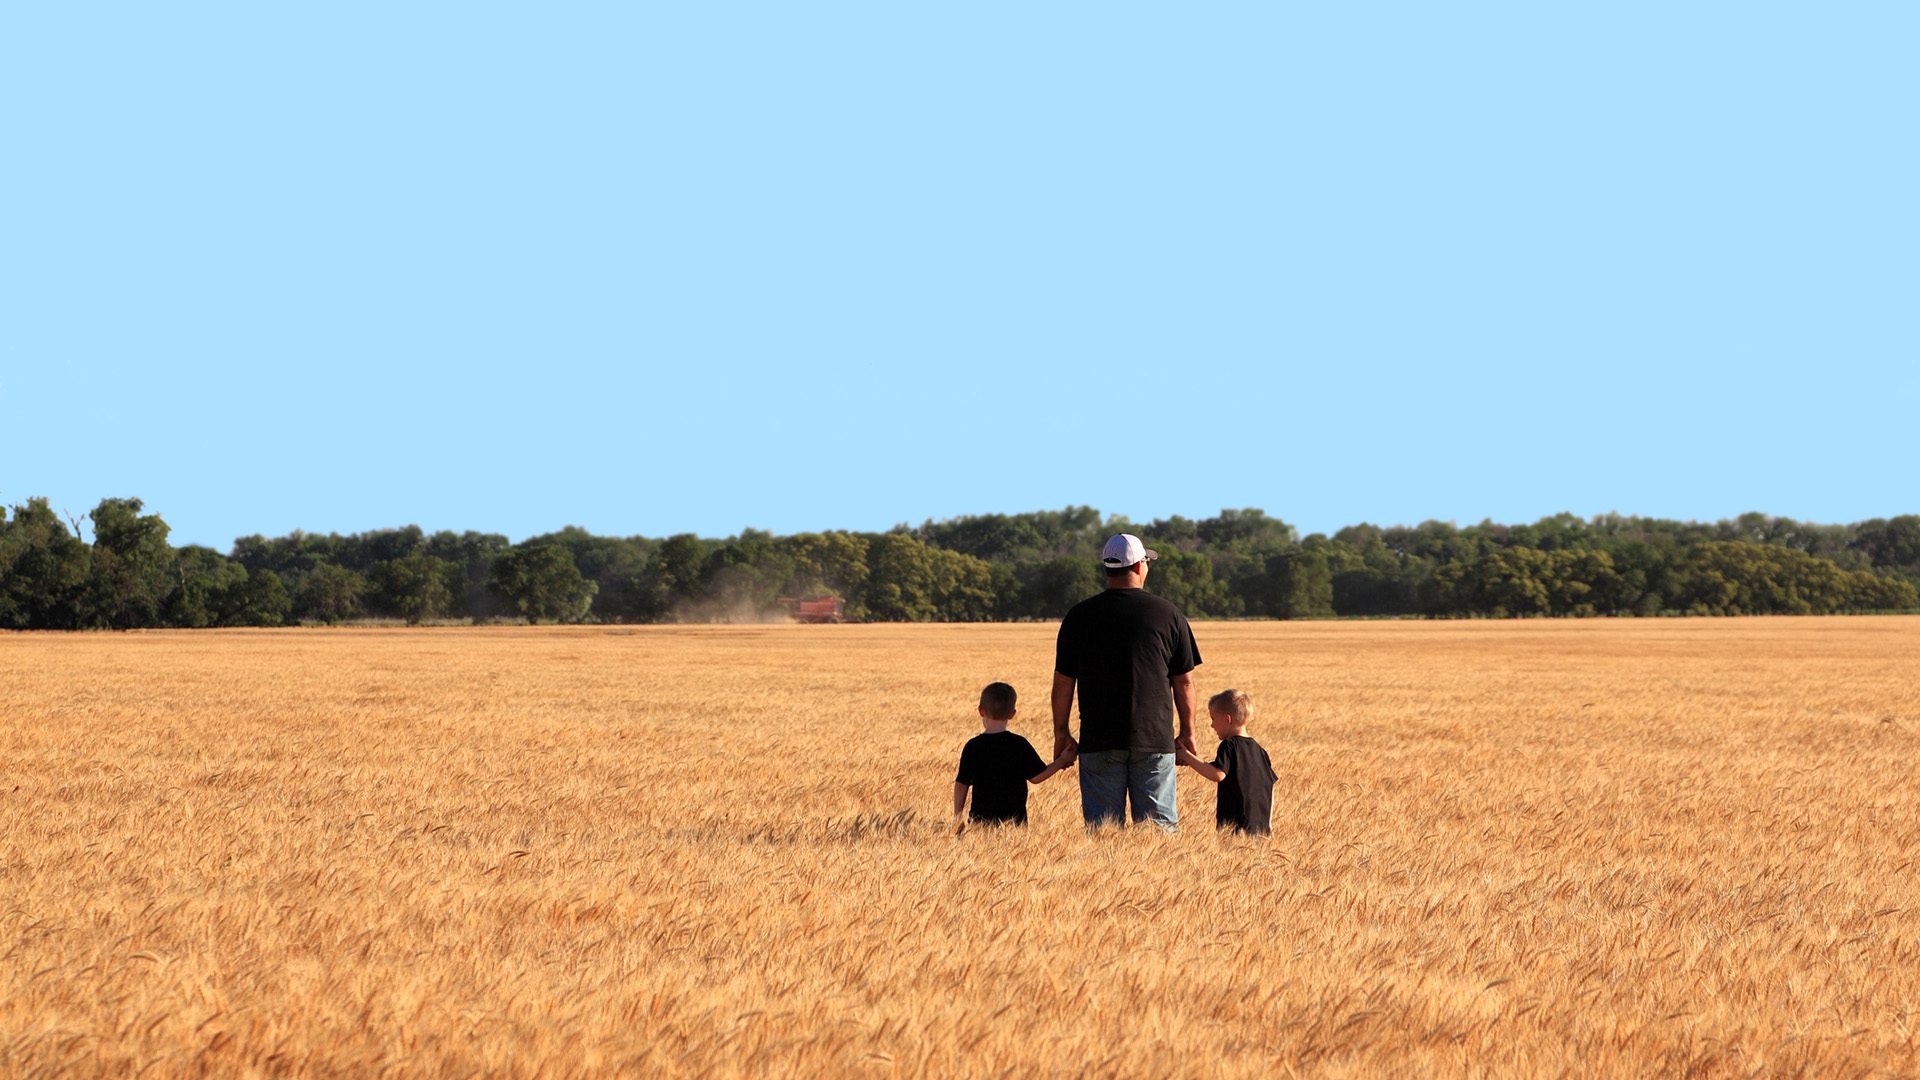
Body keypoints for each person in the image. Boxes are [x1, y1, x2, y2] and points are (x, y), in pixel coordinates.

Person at [1052, 533, 1202, 829]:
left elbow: (1063, 683)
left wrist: (1061, 732)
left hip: (1099, 739)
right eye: (1147, 560)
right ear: (1137, 567)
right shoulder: (1168, 614)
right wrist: (1188, 732)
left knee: (1102, 835)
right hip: (1154, 739)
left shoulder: (1079, 616)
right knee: (1158, 836)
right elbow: (1184, 682)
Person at [953, 682, 1076, 827]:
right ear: (1012, 714)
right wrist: (1062, 760)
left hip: (980, 824)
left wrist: (957, 817)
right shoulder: (1019, 744)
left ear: (981, 711)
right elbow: (1037, 777)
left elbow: (962, 783)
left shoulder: (972, 747)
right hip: (1015, 823)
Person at [1174, 688, 1277, 835]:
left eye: (1213, 719)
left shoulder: (1229, 745)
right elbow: (1270, 786)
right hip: (1259, 825)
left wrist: (1187, 756)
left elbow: (1218, 774)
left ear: (1227, 719)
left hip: (1234, 825)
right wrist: (1268, 822)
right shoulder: (1260, 750)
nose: (1212, 725)